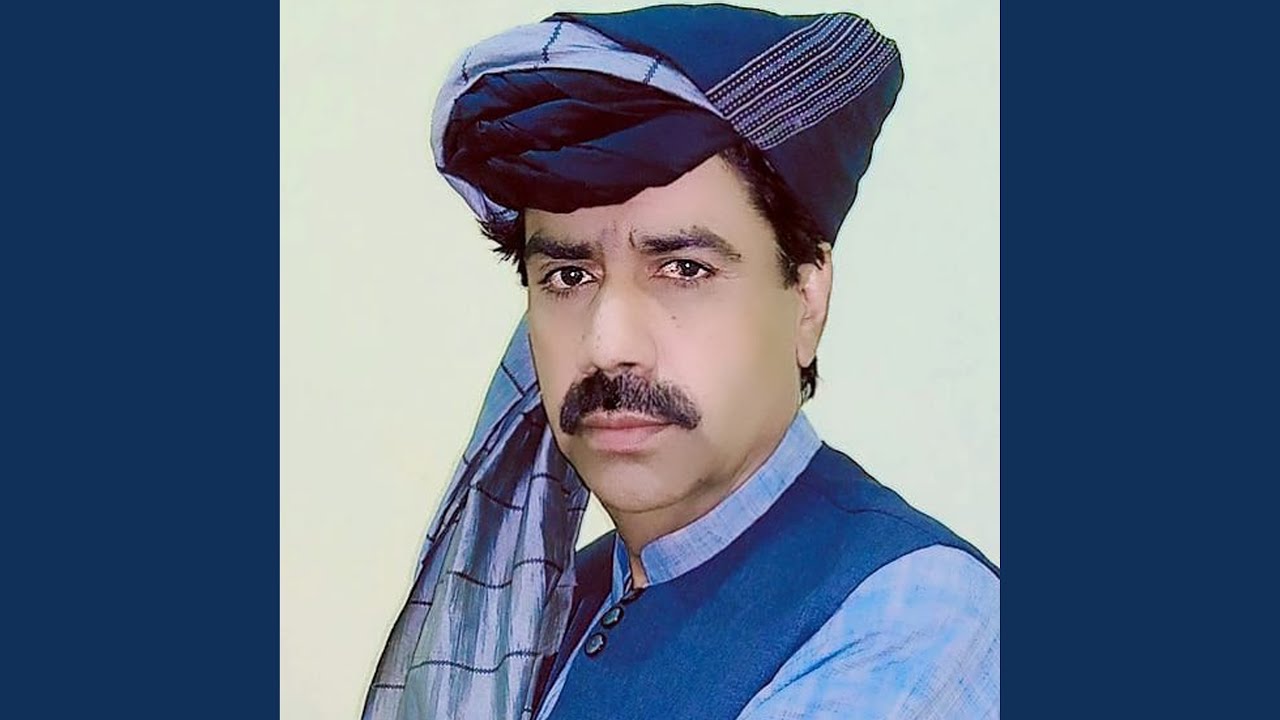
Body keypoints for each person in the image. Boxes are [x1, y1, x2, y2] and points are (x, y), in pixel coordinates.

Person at [363, 5, 999, 719]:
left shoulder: (914, 617)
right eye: (569, 276)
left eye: (683, 269)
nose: (608, 345)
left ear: (806, 297)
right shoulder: (548, 614)